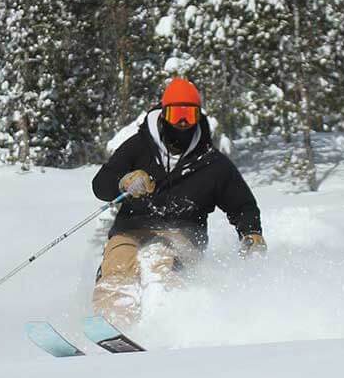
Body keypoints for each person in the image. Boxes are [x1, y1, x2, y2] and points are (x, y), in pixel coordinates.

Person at [91, 76, 264, 325]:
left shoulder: (211, 163)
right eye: (176, 114)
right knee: (118, 262)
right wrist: (124, 181)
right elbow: (100, 184)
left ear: (198, 117)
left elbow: (242, 204)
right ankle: (115, 323)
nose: (182, 123)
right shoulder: (139, 148)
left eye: (189, 115)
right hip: (131, 230)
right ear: (163, 115)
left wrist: (251, 232)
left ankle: (162, 325)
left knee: (156, 260)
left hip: (183, 238)